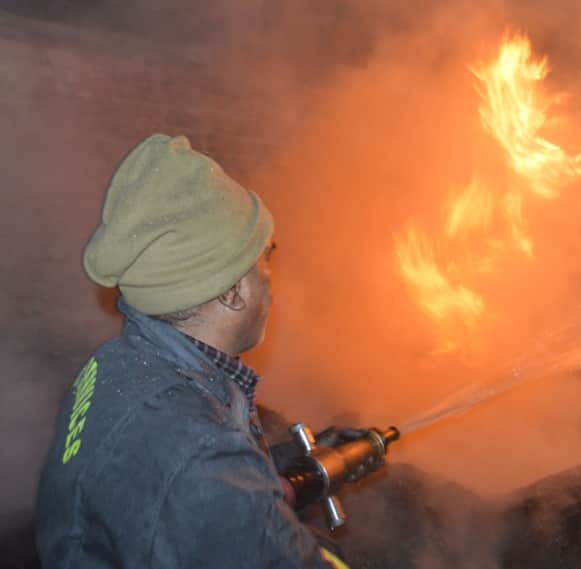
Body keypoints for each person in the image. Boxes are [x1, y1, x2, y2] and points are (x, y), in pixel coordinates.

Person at [34, 134, 351, 568]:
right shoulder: (198, 455)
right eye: (266, 259)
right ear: (234, 292)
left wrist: (271, 475)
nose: (273, 283)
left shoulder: (117, 364)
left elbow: (174, 497)